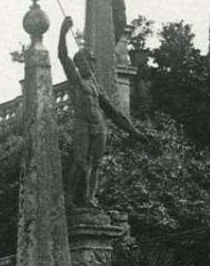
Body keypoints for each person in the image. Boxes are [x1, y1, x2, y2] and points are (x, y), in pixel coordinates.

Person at [58, 15, 151, 207]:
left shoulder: (97, 87)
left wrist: (136, 133)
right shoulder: (76, 81)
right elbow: (62, 56)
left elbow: (115, 114)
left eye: (90, 61)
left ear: (93, 63)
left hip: (98, 124)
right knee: (81, 162)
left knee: (96, 164)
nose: (87, 64)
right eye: (82, 61)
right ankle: (68, 196)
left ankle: (89, 197)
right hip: (82, 123)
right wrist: (63, 32)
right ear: (77, 64)